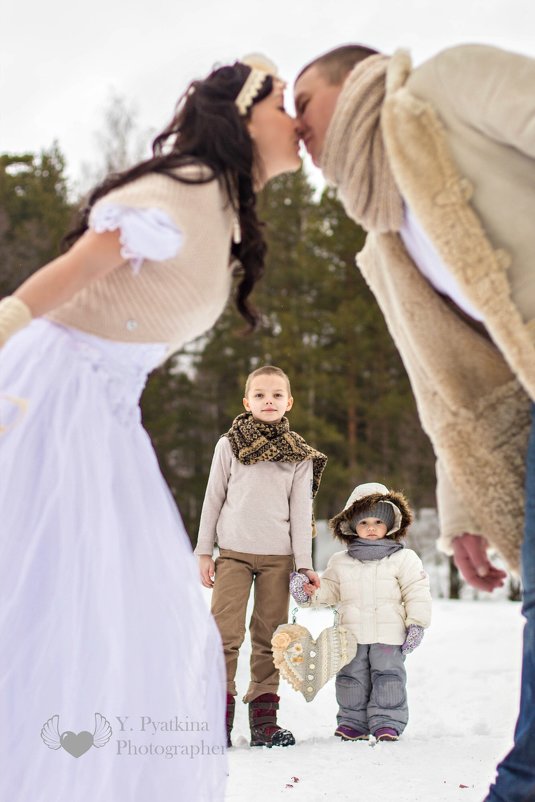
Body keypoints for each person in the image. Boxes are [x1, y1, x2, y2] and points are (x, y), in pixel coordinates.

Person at [0, 55, 302, 802]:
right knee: (54, 587)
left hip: (105, 409)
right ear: (242, 117)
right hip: (57, 397)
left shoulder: (223, 208)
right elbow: (86, 261)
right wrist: (7, 323)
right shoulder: (185, 191)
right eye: (281, 104)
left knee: (105, 604)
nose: (293, 119)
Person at [294, 43, 535, 800]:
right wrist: (461, 503)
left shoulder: (444, 85)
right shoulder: (385, 239)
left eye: (303, 103)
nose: (294, 127)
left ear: (350, 81)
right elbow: (444, 386)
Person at [194, 365, 327, 748]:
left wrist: (303, 564)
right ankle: (216, 717)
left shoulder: (299, 455)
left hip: (278, 559)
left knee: (271, 638)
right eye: (260, 395)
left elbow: (302, 513)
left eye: (276, 395)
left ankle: (264, 721)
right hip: (232, 555)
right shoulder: (228, 445)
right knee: (224, 635)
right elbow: (213, 498)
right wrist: (205, 551)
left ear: (289, 402)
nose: (268, 401)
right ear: (246, 401)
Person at [290, 481, 431, 741]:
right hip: (351, 636)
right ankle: (352, 721)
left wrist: (417, 624)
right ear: (352, 525)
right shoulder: (340, 561)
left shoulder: (404, 559)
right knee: (351, 678)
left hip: (389, 636)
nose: (371, 528)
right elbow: (329, 591)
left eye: (378, 522)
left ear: (390, 524)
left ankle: (387, 721)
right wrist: (308, 593)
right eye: (364, 523)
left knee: (388, 677)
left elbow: (416, 592)